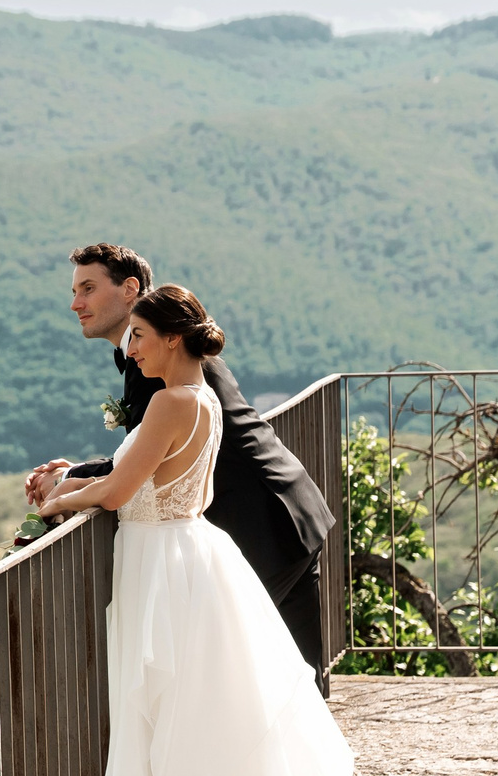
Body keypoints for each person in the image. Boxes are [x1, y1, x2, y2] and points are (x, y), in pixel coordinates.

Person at [32, 284, 498, 776]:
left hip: (164, 565)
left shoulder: (169, 402)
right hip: (189, 558)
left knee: (171, 722)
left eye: (138, 336)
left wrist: (58, 495)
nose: (129, 350)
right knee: (196, 726)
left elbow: (120, 488)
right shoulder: (200, 399)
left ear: (169, 337)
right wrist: (76, 483)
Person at [25, 243, 334, 684]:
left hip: (260, 524)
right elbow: (152, 452)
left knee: (259, 680)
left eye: (88, 289)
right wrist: (75, 473)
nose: (76, 303)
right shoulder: (163, 360)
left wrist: (66, 482)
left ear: (130, 289)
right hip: (281, 511)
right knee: (292, 680)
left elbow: (144, 463)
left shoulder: (164, 370)